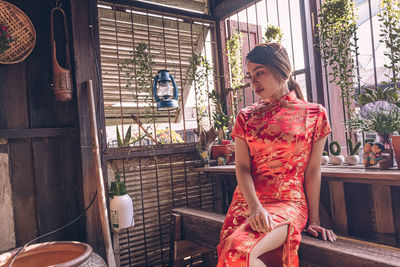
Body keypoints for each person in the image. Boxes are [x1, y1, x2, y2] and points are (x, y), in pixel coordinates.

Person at [217, 43, 336, 267]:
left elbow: (312, 170)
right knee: (234, 252)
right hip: (247, 203)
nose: (253, 81)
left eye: (259, 72)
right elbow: (242, 167)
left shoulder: (314, 114)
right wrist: (254, 207)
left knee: (236, 250)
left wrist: (315, 220)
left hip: (287, 202)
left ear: (281, 69)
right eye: (250, 75)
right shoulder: (245, 117)